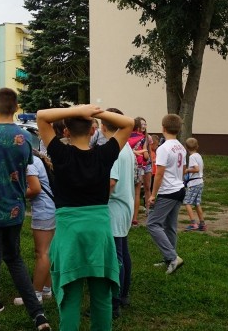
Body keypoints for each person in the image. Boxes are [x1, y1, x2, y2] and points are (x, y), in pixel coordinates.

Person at [36, 104, 132, 331]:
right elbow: (128, 123)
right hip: (98, 232)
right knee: (101, 298)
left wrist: (78, 110)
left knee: (69, 298)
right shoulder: (105, 154)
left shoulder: (59, 153)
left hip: (70, 232)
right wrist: (95, 112)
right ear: (92, 130)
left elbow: (42, 116)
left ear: (66, 131)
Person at [0, 88, 50, 331]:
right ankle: (38, 315)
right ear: (16, 108)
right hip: (15, 210)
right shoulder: (25, 137)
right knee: (15, 259)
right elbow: (25, 166)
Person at [12, 151, 55, 307]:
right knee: (47, 252)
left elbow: (35, 189)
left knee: (41, 253)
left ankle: (35, 294)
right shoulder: (36, 159)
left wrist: (14, 195)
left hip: (44, 211)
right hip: (51, 208)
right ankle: (46, 289)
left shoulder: (29, 163)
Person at [103, 109, 135, 318]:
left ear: (104, 126)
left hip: (114, 207)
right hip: (125, 204)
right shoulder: (127, 148)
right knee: (122, 251)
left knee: (115, 257)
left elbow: (110, 183)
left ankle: (113, 303)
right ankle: (123, 294)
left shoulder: (114, 149)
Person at [147, 114, 186, 274]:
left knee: (152, 224)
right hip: (179, 189)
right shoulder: (181, 147)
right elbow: (183, 169)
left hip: (168, 191)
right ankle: (170, 259)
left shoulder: (163, 148)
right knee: (170, 226)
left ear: (163, 128)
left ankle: (172, 256)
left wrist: (153, 195)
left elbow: (160, 174)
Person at [128, 117, 151, 227]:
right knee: (137, 192)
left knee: (128, 191)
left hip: (127, 166)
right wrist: (145, 155)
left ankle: (127, 216)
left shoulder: (126, 135)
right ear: (138, 127)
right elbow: (146, 156)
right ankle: (135, 219)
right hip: (139, 167)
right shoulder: (143, 138)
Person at [183, 138, 206, 232]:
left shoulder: (192, 157)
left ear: (186, 148)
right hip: (200, 182)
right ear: (197, 146)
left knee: (187, 202)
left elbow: (196, 169)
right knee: (197, 203)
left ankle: (193, 223)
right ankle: (202, 223)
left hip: (194, 183)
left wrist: (187, 170)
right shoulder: (198, 155)